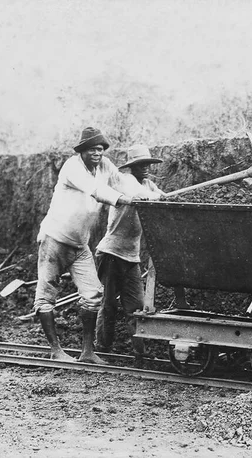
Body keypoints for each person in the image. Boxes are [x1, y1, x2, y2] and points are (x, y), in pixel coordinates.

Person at [33, 127, 154, 363]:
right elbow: (96, 190)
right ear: (82, 151)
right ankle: (56, 350)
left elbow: (123, 184)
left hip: (80, 245)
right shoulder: (72, 167)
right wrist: (124, 200)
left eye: (100, 149)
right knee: (46, 296)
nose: (97, 153)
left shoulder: (106, 166)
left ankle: (88, 352)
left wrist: (147, 196)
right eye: (92, 150)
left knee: (93, 295)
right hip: (55, 240)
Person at [94, 144, 164, 357]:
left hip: (131, 257)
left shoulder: (149, 185)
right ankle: (102, 348)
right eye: (140, 165)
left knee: (137, 306)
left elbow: (164, 196)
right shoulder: (125, 181)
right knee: (108, 304)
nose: (145, 168)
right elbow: (139, 195)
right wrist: (157, 197)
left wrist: (168, 197)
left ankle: (140, 351)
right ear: (132, 167)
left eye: (147, 165)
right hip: (111, 253)